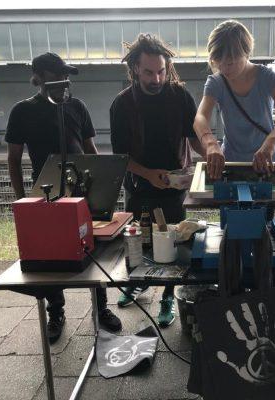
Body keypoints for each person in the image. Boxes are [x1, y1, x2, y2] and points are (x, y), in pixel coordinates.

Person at [5, 52, 122, 343]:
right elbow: (13, 159)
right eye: (57, 75)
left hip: (83, 188)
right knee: (50, 253)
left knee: (92, 247)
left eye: (66, 75)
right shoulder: (22, 111)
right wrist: (22, 201)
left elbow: (90, 149)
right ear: (39, 78)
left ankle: (101, 307)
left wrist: (104, 186)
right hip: (44, 191)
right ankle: (55, 312)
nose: (64, 80)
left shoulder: (77, 107)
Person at [110, 34, 205, 326]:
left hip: (175, 188)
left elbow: (194, 139)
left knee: (175, 246)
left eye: (162, 71)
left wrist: (213, 153)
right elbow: (121, 157)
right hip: (139, 187)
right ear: (135, 69)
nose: (157, 78)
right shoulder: (122, 104)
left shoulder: (180, 97)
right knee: (139, 243)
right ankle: (137, 284)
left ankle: (167, 296)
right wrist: (149, 174)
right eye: (149, 72)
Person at [193, 20, 275, 179]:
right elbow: (200, 118)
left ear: (246, 53)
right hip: (231, 162)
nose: (224, 69)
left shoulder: (268, 77)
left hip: (266, 160)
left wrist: (271, 142)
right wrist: (211, 144)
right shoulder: (216, 82)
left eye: (230, 63)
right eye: (218, 63)